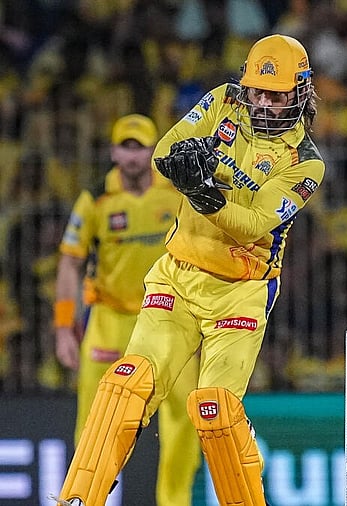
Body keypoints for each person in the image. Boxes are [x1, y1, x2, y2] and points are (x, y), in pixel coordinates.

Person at [54, 33, 325, 506]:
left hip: (241, 291)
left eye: (276, 94)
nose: (262, 102)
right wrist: (186, 169)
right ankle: (77, 499)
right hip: (177, 277)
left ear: (300, 92)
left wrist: (202, 190)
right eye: (257, 91)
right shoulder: (223, 100)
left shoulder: (305, 164)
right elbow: (165, 151)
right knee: (126, 383)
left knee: (215, 410)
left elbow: (253, 225)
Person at [54, 114, 201, 506]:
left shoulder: (176, 193)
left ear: (154, 152)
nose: (133, 157)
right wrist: (63, 327)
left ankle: (175, 499)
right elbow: (70, 262)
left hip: (169, 317)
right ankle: (85, 498)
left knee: (187, 412)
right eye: (126, 147)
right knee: (94, 420)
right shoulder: (97, 198)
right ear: (113, 151)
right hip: (110, 319)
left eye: (141, 148)